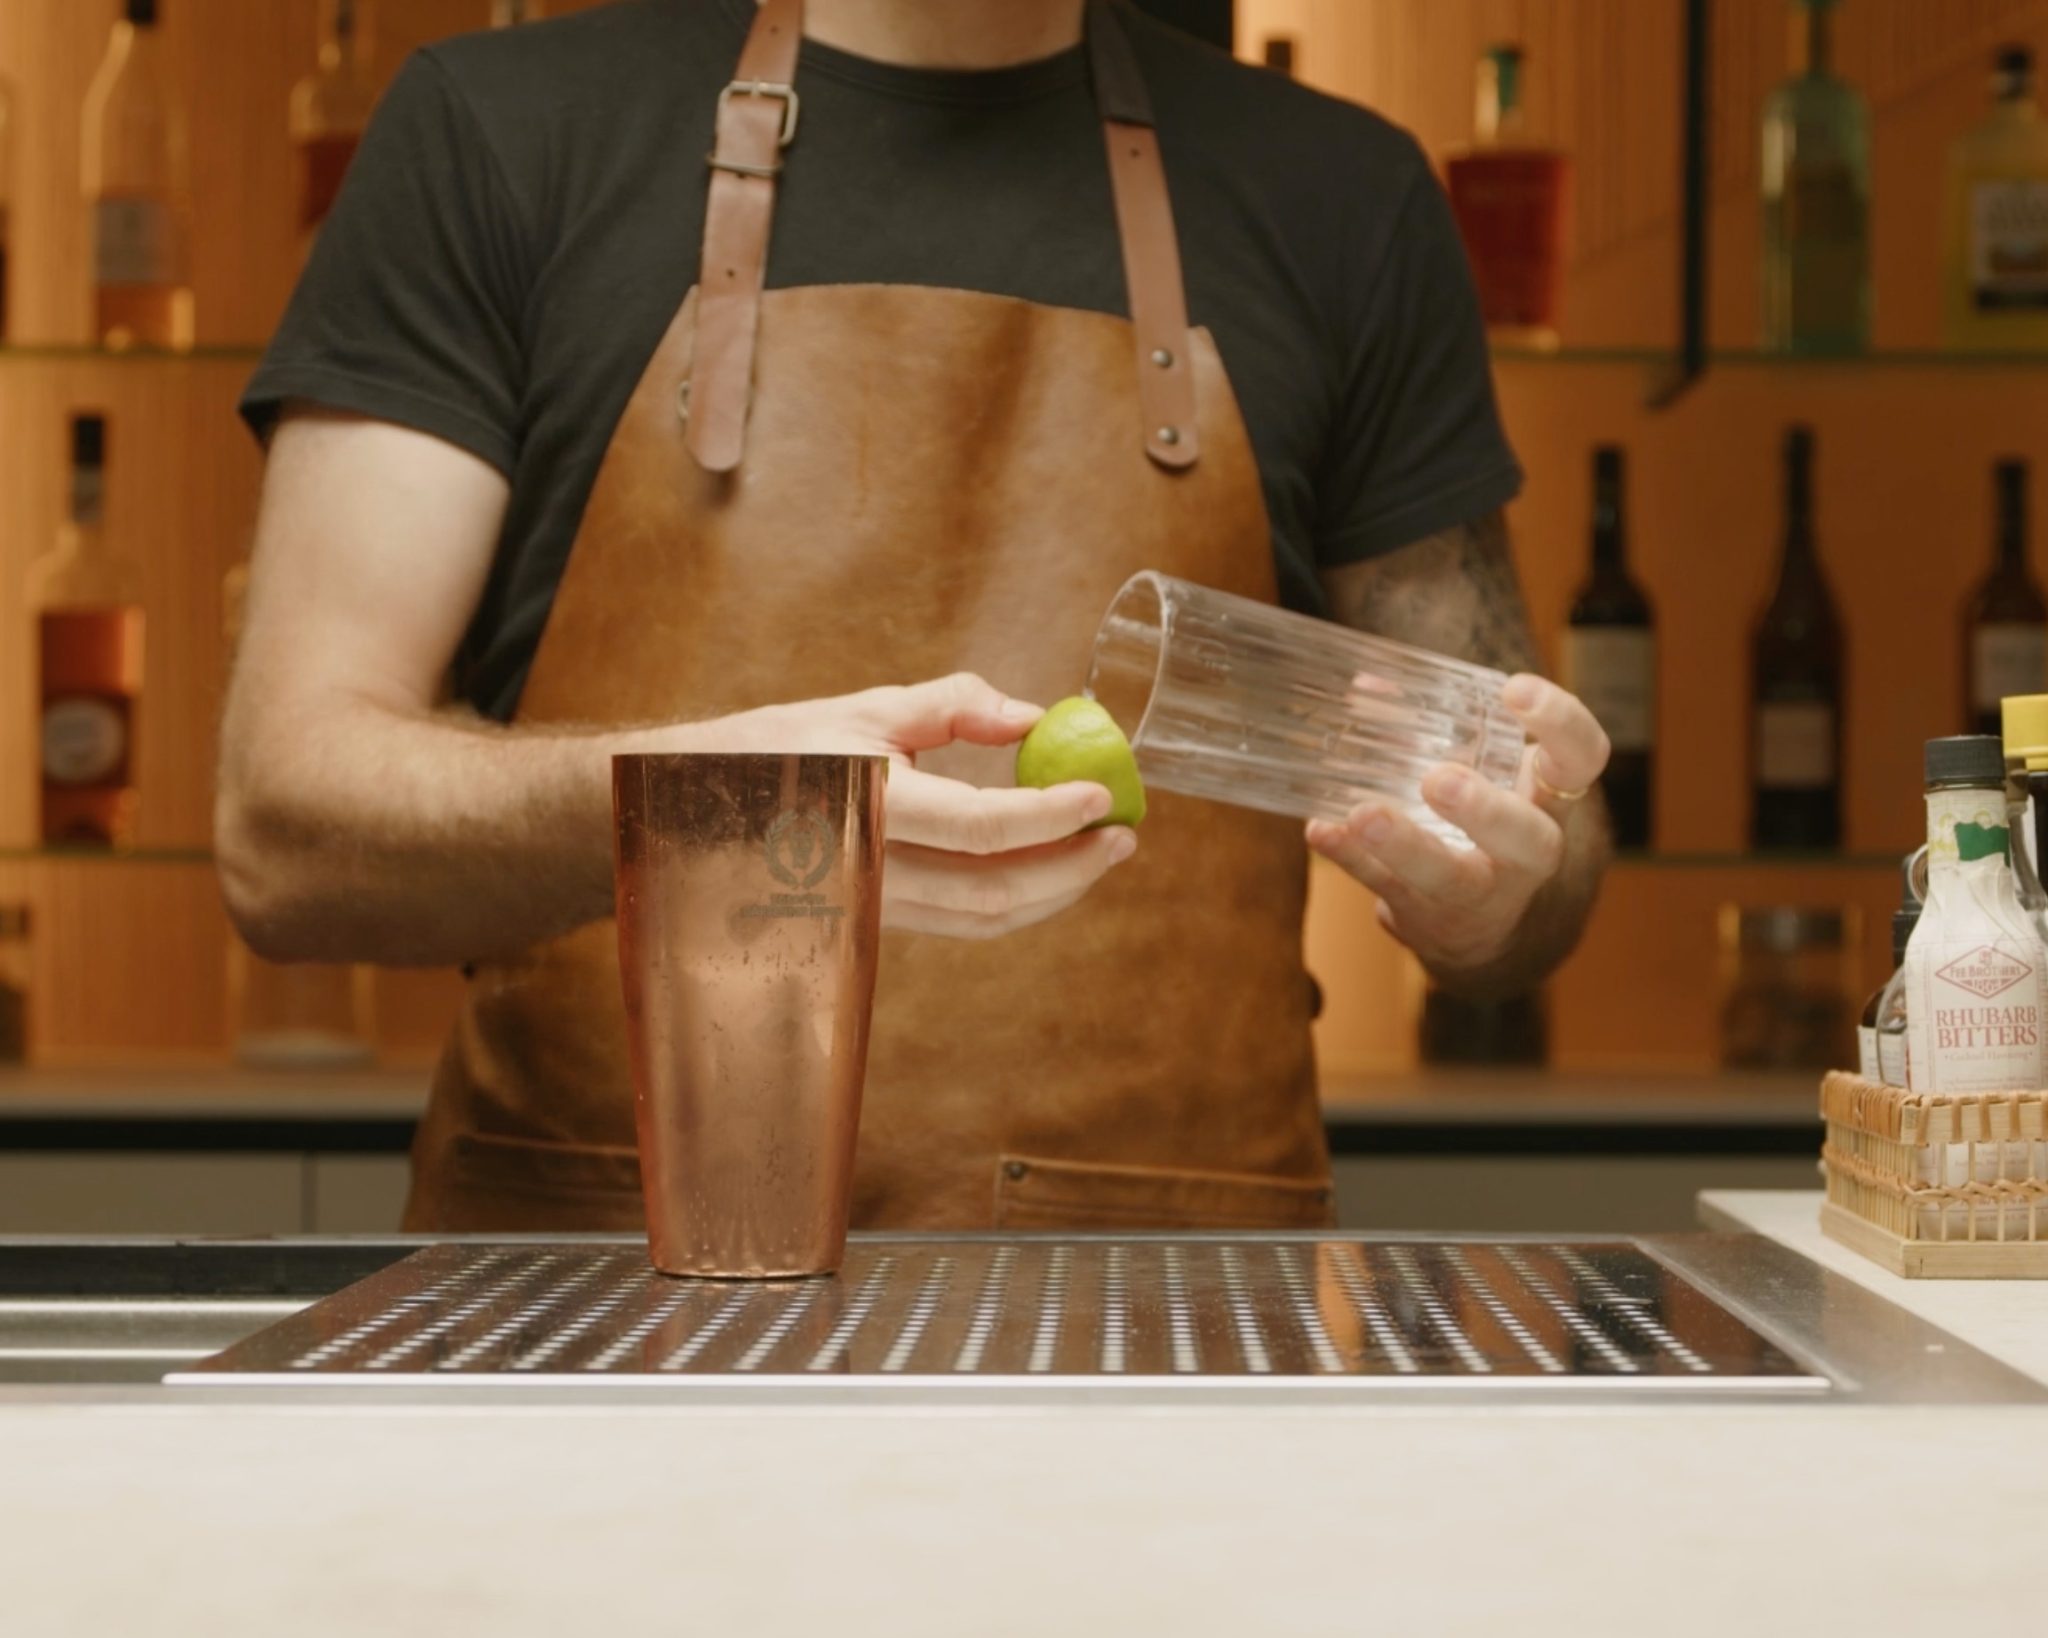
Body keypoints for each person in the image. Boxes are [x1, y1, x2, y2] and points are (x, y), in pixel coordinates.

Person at [217, 0, 1612, 1231]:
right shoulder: (495, 136)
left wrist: (1500, 883)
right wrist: (709, 808)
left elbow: (1542, 844)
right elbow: (287, 827)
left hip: (1171, 1358)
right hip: (596, 1336)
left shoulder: (1344, 199)